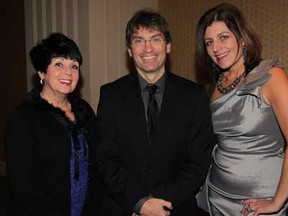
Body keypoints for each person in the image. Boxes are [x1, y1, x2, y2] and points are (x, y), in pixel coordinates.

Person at [96, 9, 215, 216]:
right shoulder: (110, 95)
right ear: (130, 50)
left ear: (168, 46)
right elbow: (107, 159)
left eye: (155, 39)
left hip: (176, 208)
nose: (147, 48)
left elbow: (199, 160)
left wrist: (159, 203)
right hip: (126, 208)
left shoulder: (194, 95)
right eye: (139, 40)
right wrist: (139, 203)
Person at [195, 3, 288, 216]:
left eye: (224, 37)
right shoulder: (214, 87)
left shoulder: (271, 76)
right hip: (216, 198)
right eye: (209, 42)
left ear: (241, 36)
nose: (216, 48)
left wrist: (277, 202)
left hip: (260, 200)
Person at [5, 32, 103, 216]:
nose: (68, 72)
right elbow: (23, 186)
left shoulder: (85, 111)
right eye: (59, 64)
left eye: (74, 66)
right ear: (41, 72)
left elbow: (99, 163)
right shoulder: (23, 118)